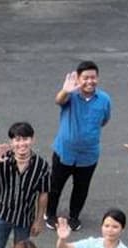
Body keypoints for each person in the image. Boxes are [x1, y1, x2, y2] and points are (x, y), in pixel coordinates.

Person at [44, 62, 112, 230]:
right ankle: (50, 213)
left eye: (93, 77)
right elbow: (58, 100)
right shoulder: (71, 96)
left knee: (81, 187)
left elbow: (105, 120)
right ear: (79, 79)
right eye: (85, 78)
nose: (90, 81)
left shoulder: (104, 99)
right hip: (64, 151)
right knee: (56, 185)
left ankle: (74, 216)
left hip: (89, 154)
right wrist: (66, 90)